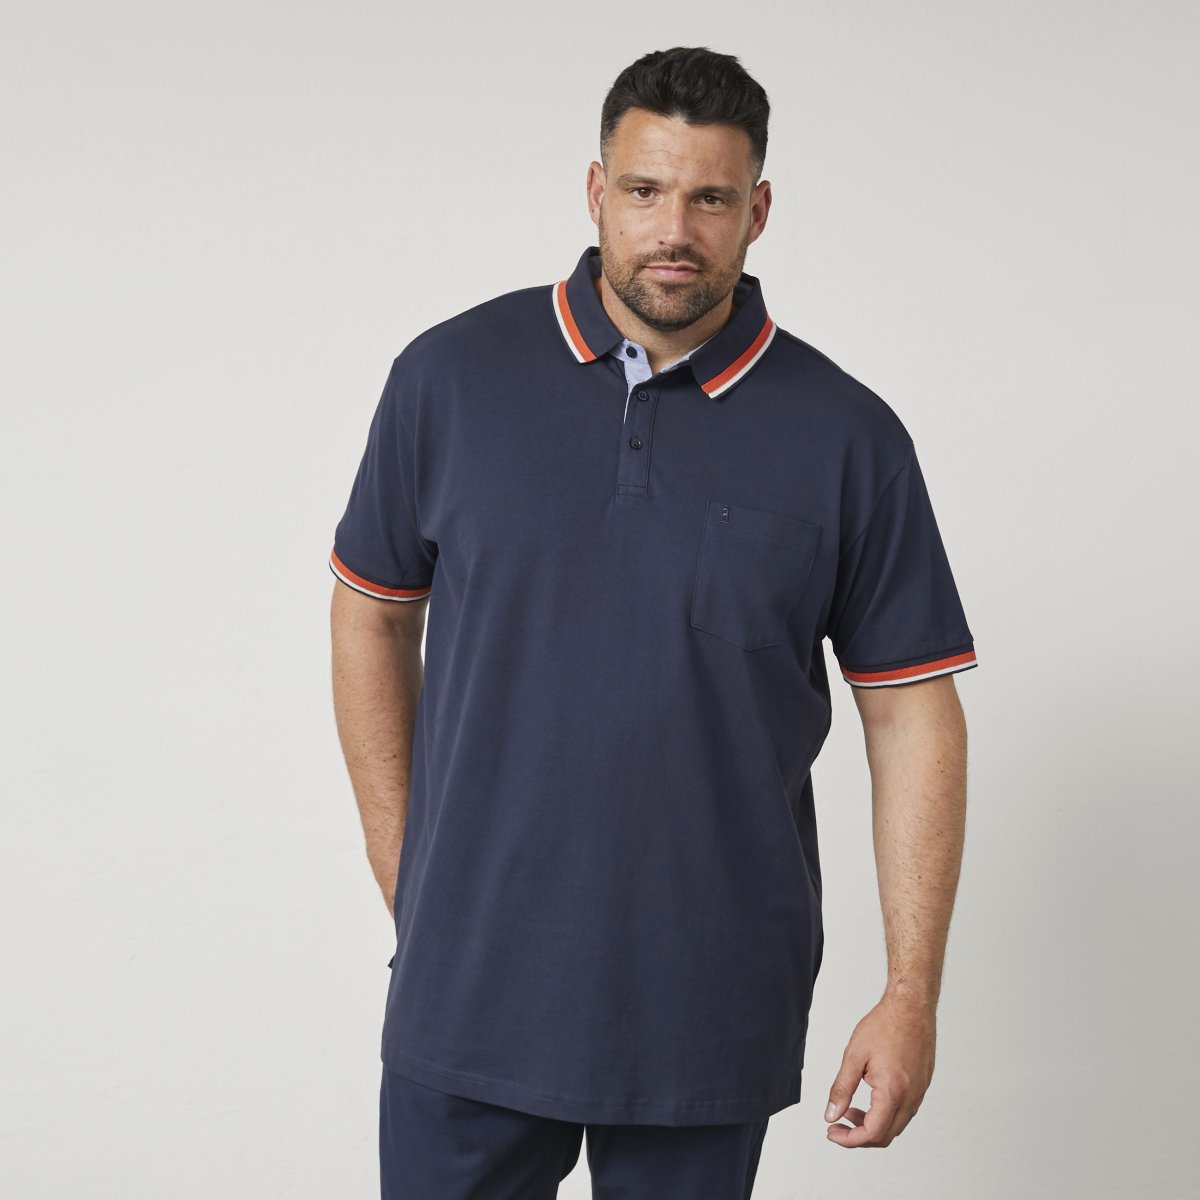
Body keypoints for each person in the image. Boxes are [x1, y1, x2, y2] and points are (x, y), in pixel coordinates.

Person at [329, 45, 976, 1199]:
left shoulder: (848, 438)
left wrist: (910, 991)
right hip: (469, 989)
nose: (674, 229)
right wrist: (409, 871)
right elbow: (370, 618)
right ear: (595, 191)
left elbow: (913, 714)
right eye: (644, 190)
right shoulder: (449, 380)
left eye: (710, 198)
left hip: (712, 1000)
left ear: (757, 212)